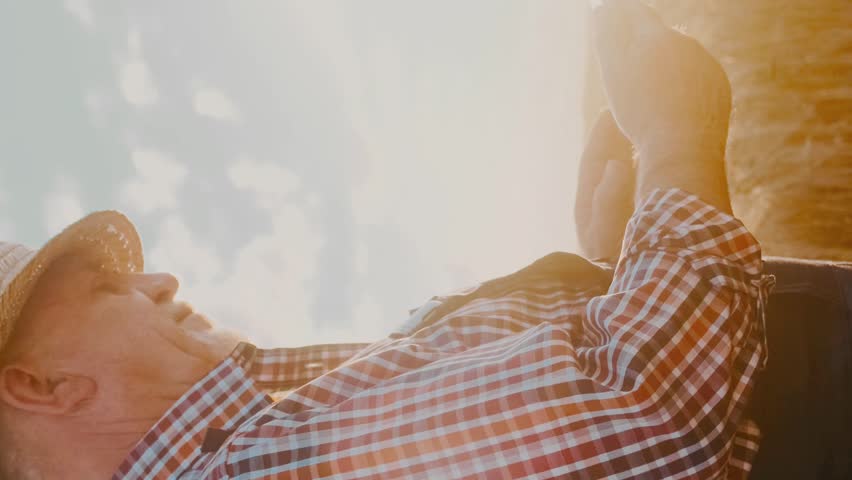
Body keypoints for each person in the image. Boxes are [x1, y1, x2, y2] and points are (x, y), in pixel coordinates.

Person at [0, 1, 774, 478]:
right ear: (35, 386)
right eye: (107, 289)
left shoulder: (266, 434)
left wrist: (606, 270)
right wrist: (678, 134)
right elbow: (647, 395)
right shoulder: (260, 469)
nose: (159, 282)